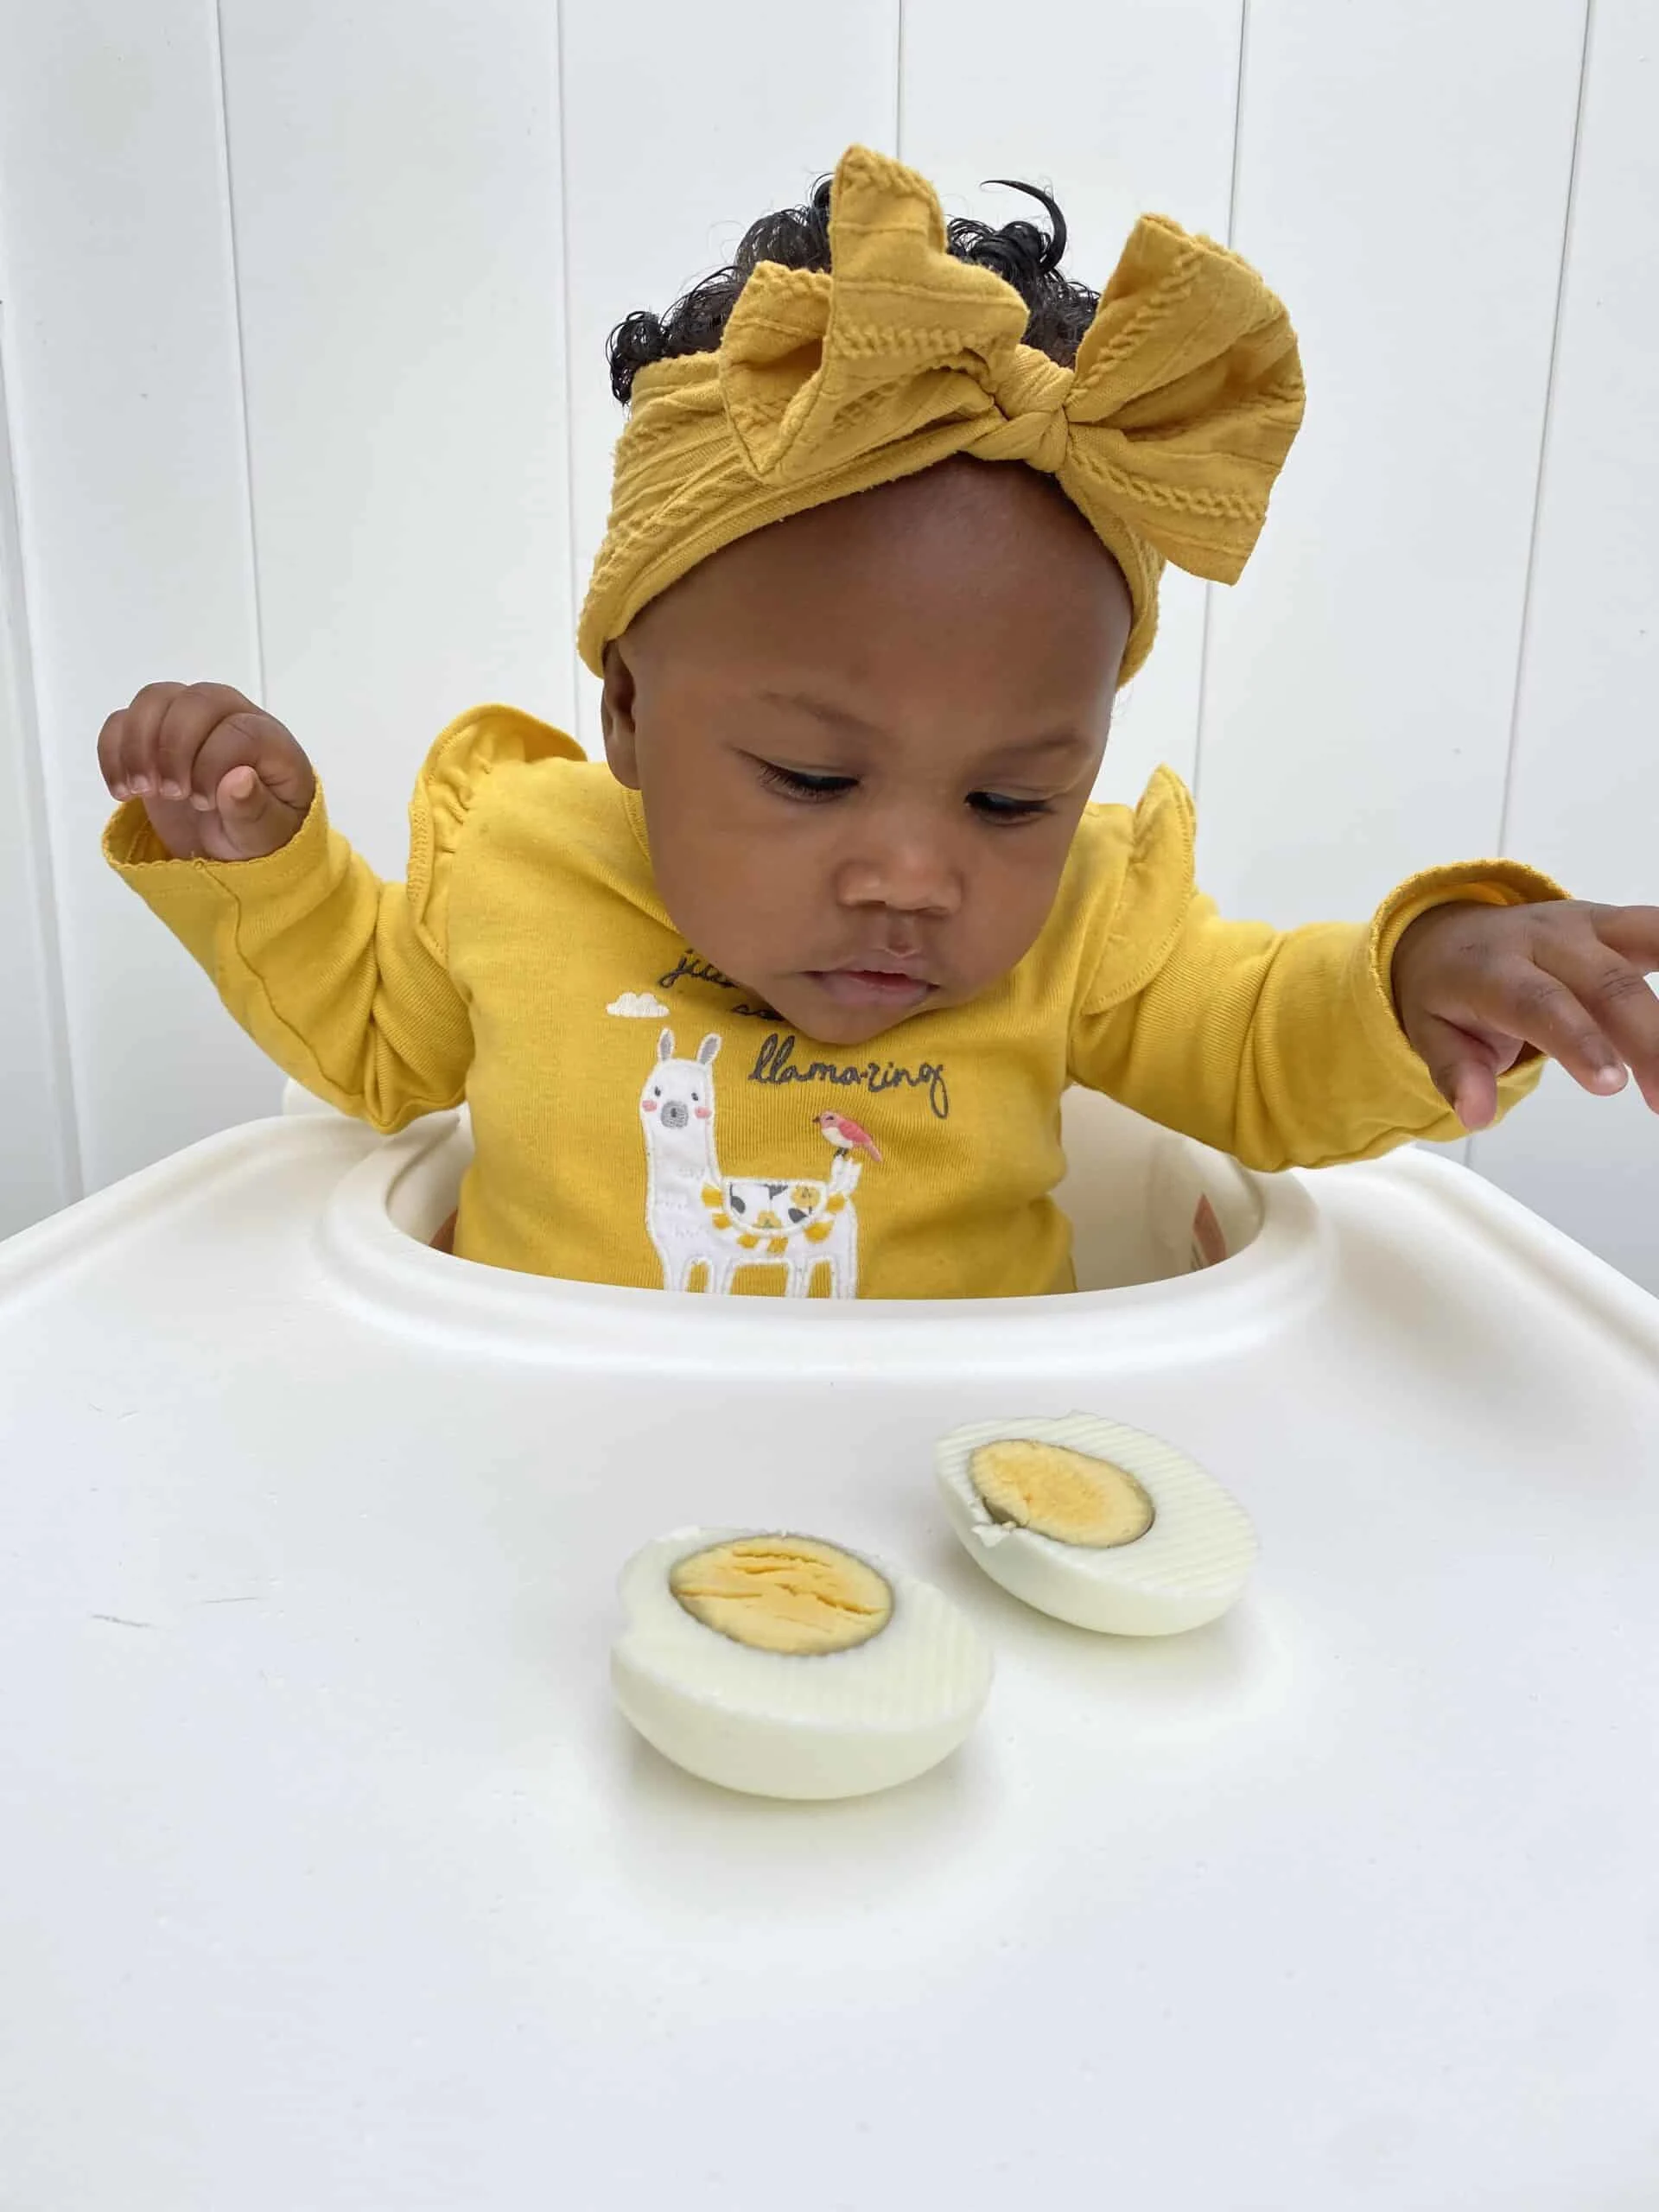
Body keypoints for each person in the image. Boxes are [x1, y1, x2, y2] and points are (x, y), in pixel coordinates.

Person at [98, 146, 1659, 1300]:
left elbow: (1256, 1040)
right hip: (553, 1468)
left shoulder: (1088, 929)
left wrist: (1416, 983)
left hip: (968, 1486)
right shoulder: (518, 862)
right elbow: (377, 1039)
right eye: (812, 775)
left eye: (1010, 802)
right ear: (629, 707)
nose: (914, 874)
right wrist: (266, 862)